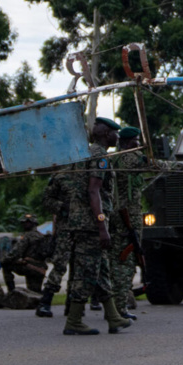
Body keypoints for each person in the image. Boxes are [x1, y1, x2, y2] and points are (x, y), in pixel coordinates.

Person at [63, 116, 131, 335]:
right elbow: (94, 191)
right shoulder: (100, 156)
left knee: (101, 271)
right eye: (115, 133)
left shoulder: (84, 152)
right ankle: (74, 321)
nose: (117, 137)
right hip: (91, 224)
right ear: (106, 134)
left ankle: (113, 317)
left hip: (82, 221)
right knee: (87, 272)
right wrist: (102, 226)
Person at [109, 126, 147, 319]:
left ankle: (118, 307)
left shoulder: (117, 158)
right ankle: (119, 309)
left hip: (124, 217)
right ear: (126, 142)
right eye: (135, 142)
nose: (138, 145)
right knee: (124, 264)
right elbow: (153, 164)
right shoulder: (127, 158)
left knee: (124, 262)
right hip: (126, 219)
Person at [36, 160, 79, 317]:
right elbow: (47, 200)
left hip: (84, 229)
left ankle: (72, 305)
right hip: (65, 229)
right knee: (60, 265)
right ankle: (45, 302)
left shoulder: (89, 175)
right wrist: (62, 207)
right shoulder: (61, 177)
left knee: (79, 267)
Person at [1, 214, 48, 293]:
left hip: (29, 267)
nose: (24, 224)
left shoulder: (27, 236)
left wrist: (2, 260)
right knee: (35, 292)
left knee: (6, 265)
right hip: (41, 269)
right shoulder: (41, 236)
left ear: (33, 224)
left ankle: (11, 292)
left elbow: (15, 253)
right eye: (24, 223)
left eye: (27, 223)